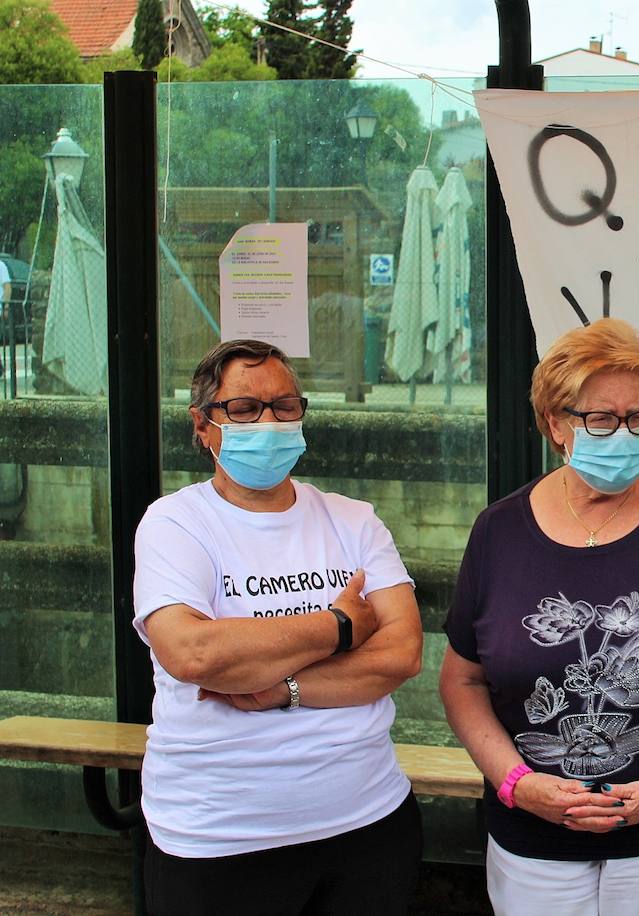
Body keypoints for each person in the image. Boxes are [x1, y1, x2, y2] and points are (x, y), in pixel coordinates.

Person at [440, 317, 639, 916]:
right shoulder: (499, 532)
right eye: (602, 419)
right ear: (557, 425)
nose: (625, 434)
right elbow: (461, 679)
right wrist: (518, 785)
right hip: (531, 831)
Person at [132, 339, 424, 915]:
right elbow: (193, 654)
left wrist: (277, 689)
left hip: (368, 822)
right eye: (244, 409)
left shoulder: (353, 520)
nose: (268, 422)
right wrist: (339, 626)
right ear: (204, 425)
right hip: (217, 839)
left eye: (285, 406)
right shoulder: (175, 523)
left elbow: (400, 655)